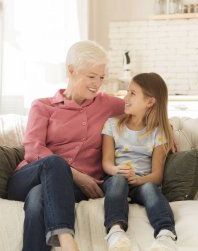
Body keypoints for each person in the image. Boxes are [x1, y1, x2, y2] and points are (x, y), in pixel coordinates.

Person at [7, 40, 125, 251]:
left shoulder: (108, 104)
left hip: (68, 190)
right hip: (29, 176)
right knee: (54, 162)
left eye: (101, 77)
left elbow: (146, 109)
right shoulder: (42, 106)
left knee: (37, 198)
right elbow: (34, 150)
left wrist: (168, 133)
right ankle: (67, 240)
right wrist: (76, 175)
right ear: (71, 70)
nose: (97, 84)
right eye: (91, 76)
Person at [101, 72, 178, 251]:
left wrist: (139, 180)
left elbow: (157, 176)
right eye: (127, 92)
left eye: (132, 93)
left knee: (151, 189)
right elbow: (106, 162)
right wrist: (115, 170)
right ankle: (115, 232)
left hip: (142, 182)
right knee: (119, 180)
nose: (125, 98)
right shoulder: (112, 124)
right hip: (115, 178)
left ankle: (166, 234)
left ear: (150, 102)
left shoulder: (158, 133)